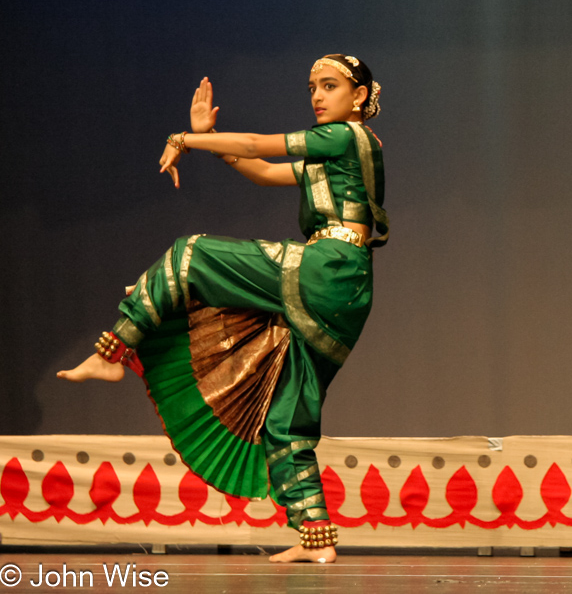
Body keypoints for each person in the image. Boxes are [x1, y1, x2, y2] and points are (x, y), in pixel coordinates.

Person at [58, 54, 388, 564]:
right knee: (286, 421)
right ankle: (315, 539)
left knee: (191, 255)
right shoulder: (335, 154)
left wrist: (186, 141)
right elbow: (259, 168)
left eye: (329, 86)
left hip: (330, 267)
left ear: (360, 96)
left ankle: (114, 349)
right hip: (347, 290)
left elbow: (260, 143)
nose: (318, 97)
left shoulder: (347, 137)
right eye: (312, 88)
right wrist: (213, 142)